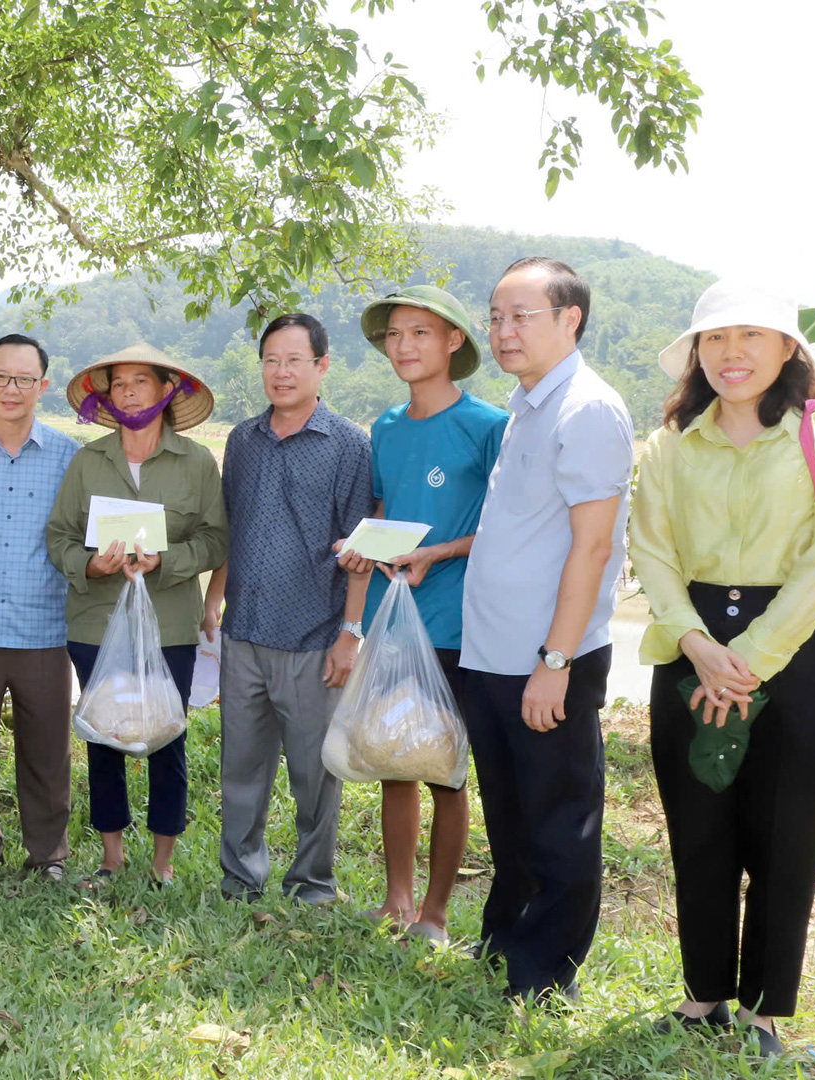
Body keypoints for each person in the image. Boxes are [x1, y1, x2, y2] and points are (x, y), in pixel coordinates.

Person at [628, 280, 815, 1057]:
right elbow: (653, 552)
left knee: (787, 840)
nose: (731, 354)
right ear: (697, 354)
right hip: (689, 652)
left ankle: (765, 1017)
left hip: (802, 655)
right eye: (715, 339)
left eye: (751, 337)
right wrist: (699, 646)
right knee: (697, 835)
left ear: (788, 349)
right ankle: (703, 1000)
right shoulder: (669, 444)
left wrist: (750, 660)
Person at [460, 257, 632, 1003]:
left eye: (521, 315)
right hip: (495, 652)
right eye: (496, 316)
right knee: (510, 811)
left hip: (546, 656)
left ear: (571, 319)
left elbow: (593, 547)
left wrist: (555, 659)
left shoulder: (587, 409)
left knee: (560, 817)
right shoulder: (528, 404)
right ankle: (506, 941)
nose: (503, 331)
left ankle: (547, 969)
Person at [334, 288, 507, 942]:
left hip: (455, 624)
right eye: (394, 337)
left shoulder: (487, 426)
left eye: (420, 334)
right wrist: (360, 551)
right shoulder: (385, 426)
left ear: (453, 341)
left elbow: (505, 525)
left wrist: (439, 551)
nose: (404, 347)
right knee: (393, 758)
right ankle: (396, 900)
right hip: (390, 617)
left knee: (445, 768)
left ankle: (435, 914)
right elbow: (380, 512)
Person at [206, 313, 371, 905]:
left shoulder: (349, 445)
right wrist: (213, 602)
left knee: (314, 774)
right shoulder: (241, 440)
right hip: (243, 632)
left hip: (314, 635)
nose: (281, 372)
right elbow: (232, 528)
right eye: (271, 360)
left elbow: (361, 550)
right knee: (241, 770)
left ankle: (313, 883)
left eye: (294, 360)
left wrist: (350, 632)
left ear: (322, 366)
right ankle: (240, 878)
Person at [47, 344, 227, 886]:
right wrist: (92, 566)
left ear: (166, 391)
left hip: (169, 624)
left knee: (165, 737)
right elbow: (58, 536)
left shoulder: (195, 462)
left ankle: (163, 862)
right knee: (104, 737)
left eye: (139, 381)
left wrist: (166, 561)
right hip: (95, 622)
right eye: (117, 383)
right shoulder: (88, 461)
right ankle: (111, 856)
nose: (126, 390)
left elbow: (216, 540)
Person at [0, 334, 81, 879]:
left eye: (24, 379)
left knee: (47, 751)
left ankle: (47, 853)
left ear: (42, 387)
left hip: (44, 626)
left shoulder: (69, 457)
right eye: (0, 377)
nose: (11, 388)